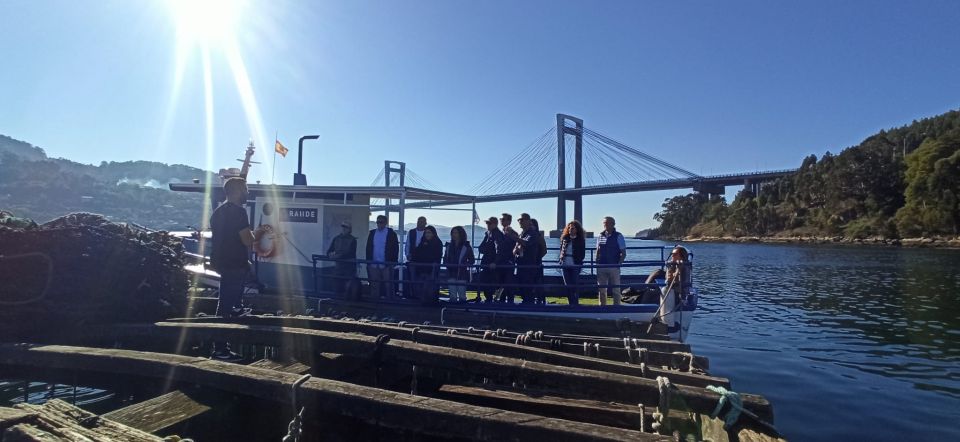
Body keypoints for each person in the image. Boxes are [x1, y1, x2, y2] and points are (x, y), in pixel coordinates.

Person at [209, 177, 265, 360]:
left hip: (223, 263)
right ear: (237, 191)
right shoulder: (239, 212)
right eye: (245, 190)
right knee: (226, 307)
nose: (247, 193)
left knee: (224, 302)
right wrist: (258, 233)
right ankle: (220, 350)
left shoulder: (217, 212)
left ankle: (236, 312)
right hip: (234, 264)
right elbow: (247, 240)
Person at [655, 246, 692, 332]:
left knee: (664, 290)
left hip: (678, 295)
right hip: (673, 291)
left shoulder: (684, 267)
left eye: (675, 254)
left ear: (681, 256)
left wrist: (676, 268)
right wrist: (670, 267)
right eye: (672, 254)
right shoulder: (673, 265)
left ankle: (668, 324)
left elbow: (671, 282)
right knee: (651, 292)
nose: (672, 256)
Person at [366, 215, 399, 298]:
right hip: (374, 263)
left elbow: (395, 248)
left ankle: (390, 302)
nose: (379, 224)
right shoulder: (372, 233)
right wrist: (368, 261)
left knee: (389, 285)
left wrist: (394, 262)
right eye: (378, 222)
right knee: (374, 284)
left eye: (381, 222)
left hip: (387, 264)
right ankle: (374, 302)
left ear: (385, 223)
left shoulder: (391, 234)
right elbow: (368, 247)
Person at [596, 216, 626, 306]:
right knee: (601, 290)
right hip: (601, 266)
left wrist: (618, 264)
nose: (605, 225)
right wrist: (596, 263)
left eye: (607, 223)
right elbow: (597, 251)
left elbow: (623, 253)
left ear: (613, 224)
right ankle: (602, 308)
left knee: (616, 290)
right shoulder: (600, 235)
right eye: (604, 223)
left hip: (614, 267)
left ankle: (617, 308)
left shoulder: (619, 236)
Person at [411, 225, 443, 305]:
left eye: (429, 233)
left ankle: (429, 303)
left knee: (429, 288)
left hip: (431, 269)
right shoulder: (422, 242)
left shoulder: (437, 243)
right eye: (426, 233)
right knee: (420, 288)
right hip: (421, 269)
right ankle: (423, 303)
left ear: (433, 233)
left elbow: (437, 256)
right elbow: (416, 253)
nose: (427, 234)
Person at [514, 213, 542, 304]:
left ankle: (529, 304)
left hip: (528, 265)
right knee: (521, 285)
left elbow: (527, 243)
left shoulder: (532, 233)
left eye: (521, 220)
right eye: (519, 220)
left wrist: (513, 237)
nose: (520, 222)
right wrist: (515, 250)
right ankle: (526, 302)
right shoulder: (522, 233)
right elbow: (517, 247)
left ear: (528, 221)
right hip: (521, 263)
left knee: (527, 286)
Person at [443, 226, 475, 303]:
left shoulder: (466, 246)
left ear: (461, 234)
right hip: (451, 273)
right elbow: (445, 258)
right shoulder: (448, 246)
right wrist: (447, 264)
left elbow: (472, 260)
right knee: (452, 296)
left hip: (462, 273)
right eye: (453, 233)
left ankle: (462, 312)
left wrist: (464, 265)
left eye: (456, 233)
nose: (454, 235)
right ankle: (453, 312)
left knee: (462, 296)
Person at [557, 220, 586, 305]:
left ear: (577, 229)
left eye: (572, 228)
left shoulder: (580, 240)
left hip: (575, 265)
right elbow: (561, 250)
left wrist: (577, 260)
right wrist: (561, 259)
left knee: (575, 285)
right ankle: (571, 303)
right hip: (564, 264)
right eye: (569, 228)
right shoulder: (565, 238)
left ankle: (575, 303)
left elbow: (582, 254)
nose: (570, 230)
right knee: (568, 285)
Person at [476, 217, 504, 303]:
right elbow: (481, 248)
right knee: (484, 281)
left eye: (489, 223)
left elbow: (499, 249)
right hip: (488, 263)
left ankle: (494, 295)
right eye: (487, 223)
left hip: (492, 264)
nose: (487, 225)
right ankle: (491, 297)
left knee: (488, 282)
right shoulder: (489, 234)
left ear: (495, 224)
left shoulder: (497, 235)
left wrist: (495, 262)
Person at [326, 221, 357, 294]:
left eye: (346, 227)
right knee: (337, 286)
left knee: (348, 289)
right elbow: (329, 251)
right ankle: (337, 302)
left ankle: (348, 303)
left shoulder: (353, 240)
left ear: (350, 229)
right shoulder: (336, 238)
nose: (344, 228)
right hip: (338, 268)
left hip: (349, 268)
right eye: (343, 227)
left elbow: (351, 253)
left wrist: (337, 256)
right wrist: (330, 255)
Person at [498, 213, 518, 303]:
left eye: (504, 219)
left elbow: (514, 247)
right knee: (501, 282)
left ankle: (510, 302)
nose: (502, 221)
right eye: (501, 219)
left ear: (509, 221)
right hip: (501, 261)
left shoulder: (513, 233)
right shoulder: (500, 233)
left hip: (509, 261)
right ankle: (502, 300)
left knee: (508, 283)